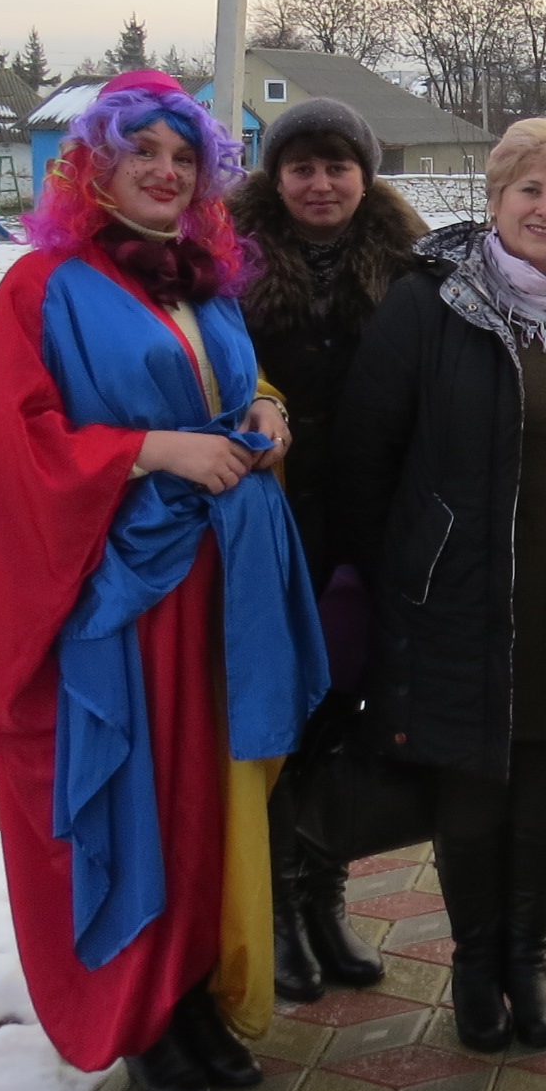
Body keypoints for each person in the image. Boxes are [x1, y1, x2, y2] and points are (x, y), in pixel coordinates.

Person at [0, 71, 328, 1091]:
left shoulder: (199, 284)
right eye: (144, 153)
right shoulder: (40, 289)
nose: (167, 173)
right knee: (143, 795)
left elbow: (231, 382)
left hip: (223, 582)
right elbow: (21, 444)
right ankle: (146, 1013)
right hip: (124, 593)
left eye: (185, 158)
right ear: (95, 166)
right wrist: (154, 450)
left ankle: (199, 992)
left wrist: (268, 414)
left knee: (207, 795)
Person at [338, 118, 546, 1054]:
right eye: (530, 190)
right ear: (495, 197)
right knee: (471, 788)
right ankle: (476, 966)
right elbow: (366, 455)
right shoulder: (427, 304)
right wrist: (398, 578)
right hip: (456, 597)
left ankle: (530, 958)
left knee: (545, 784)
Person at [230, 97, 424, 1004]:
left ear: (364, 174)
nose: (320, 184)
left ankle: (323, 898)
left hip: (369, 521)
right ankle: (271, 911)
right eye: (301, 167)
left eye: (337, 166)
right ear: (275, 177)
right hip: (265, 521)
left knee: (344, 711)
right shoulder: (229, 259)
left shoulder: (408, 260)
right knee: (279, 714)